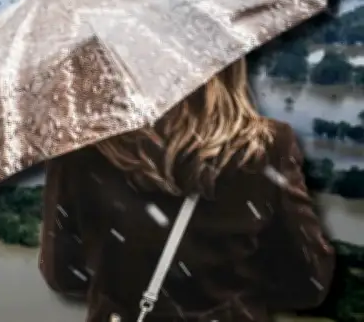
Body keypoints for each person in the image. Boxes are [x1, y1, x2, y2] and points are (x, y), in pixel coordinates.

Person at [39, 58, 335, 322]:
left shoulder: (81, 150)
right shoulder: (265, 149)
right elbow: (308, 285)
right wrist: (230, 297)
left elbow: (65, 276)